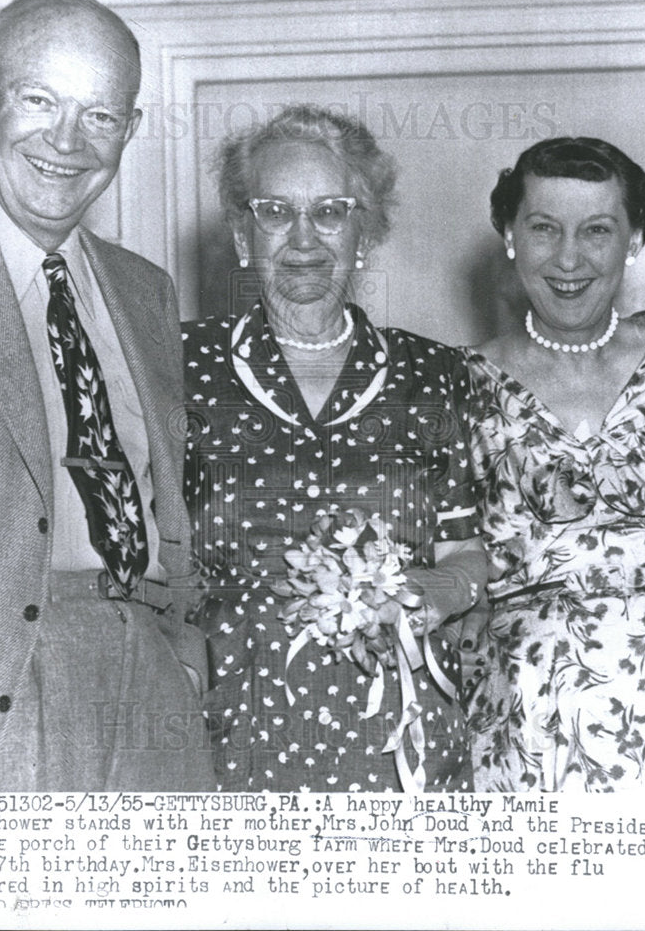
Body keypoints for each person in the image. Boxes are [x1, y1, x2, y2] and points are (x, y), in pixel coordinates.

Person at [0, 0, 214, 790]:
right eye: (39, 100)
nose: (66, 142)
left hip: (145, 673)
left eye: (98, 116)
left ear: (129, 130)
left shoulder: (145, 290)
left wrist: (181, 638)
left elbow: (166, 488)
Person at [182, 105, 487, 792]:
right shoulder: (178, 364)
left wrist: (435, 591)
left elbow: (464, 550)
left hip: (400, 742)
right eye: (274, 211)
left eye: (329, 211)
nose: (302, 239)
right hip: (233, 736)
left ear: (364, 231)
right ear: (241, 234)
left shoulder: (433, 375)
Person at [462, 136, 645, 792]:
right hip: (521, 748)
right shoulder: (452, 387)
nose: (569, 257)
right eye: (544, 228)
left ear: (634, 239)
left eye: (597, 230)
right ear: (508, 235)